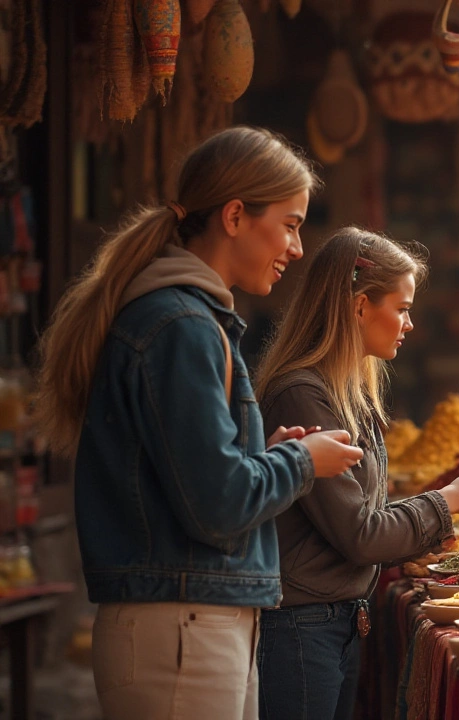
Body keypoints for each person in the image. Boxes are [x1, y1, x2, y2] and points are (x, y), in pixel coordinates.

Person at [34, 127, 365, 720]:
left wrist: (264, 455)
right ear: (236, 215)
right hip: (180, 627)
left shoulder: (191, 319)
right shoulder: (181, 325)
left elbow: (195, 477)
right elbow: (216, 503)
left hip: (193, 617)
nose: (296, 248)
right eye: (289, 225)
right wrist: (300, 461)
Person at [253, 228, 459, 720]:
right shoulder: (302, 395)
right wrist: (449, 499)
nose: (409, 324)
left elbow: (358, 519)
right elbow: (362, 535)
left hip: (337, 621)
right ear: (359, 307)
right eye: (402, 307)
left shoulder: (350, 395)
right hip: (299, 629)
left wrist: (421, 538)